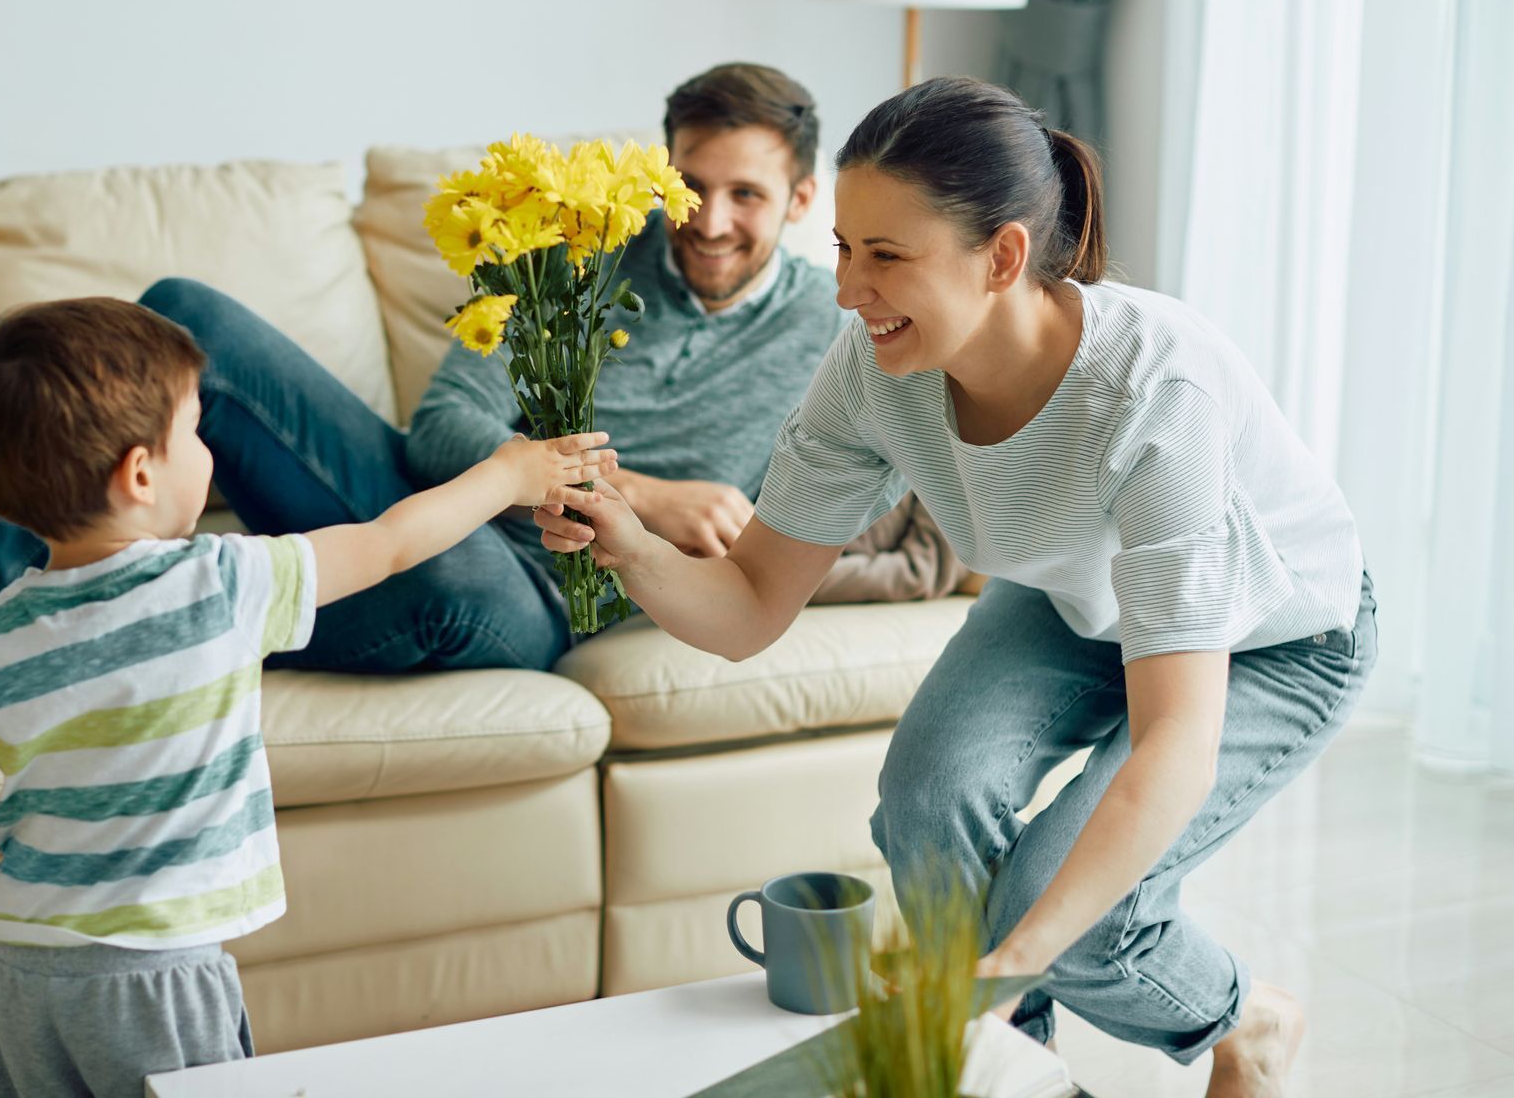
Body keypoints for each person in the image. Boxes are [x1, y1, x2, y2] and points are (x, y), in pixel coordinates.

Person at [536, 77, 1375, 1098]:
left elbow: (1176, 740)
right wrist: (627, 541)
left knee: (1068, 911)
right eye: (845, 248)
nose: (849, 289)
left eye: (887, 257)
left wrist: (1022, 951)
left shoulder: (1157, 393)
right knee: (929, 800)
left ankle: (1250, 1018)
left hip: (1276, 632)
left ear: (1004, 256)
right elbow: (751, 602)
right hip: (1077, 591)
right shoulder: (871, 370)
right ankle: (1018, 1068)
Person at [0, 62, 861, 722]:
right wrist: (644, 489)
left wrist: (631, 524)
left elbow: (832, 510)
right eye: (692, 183)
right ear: (663, 166)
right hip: (422, 503)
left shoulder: (837, 334)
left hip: (523, 603)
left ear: (803, 198)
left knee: (463, 580)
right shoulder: (572, 256)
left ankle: (111, 619)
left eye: (747, 195)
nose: (708, 219)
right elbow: (443, 423)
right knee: (177, 313)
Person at [0, 296, 614, 1096]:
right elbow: (389, 545)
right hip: (158, 976)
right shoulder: (217, 584)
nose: (208, 449)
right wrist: (504, 474)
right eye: (193, 431)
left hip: (18, 977)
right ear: (140, 472)